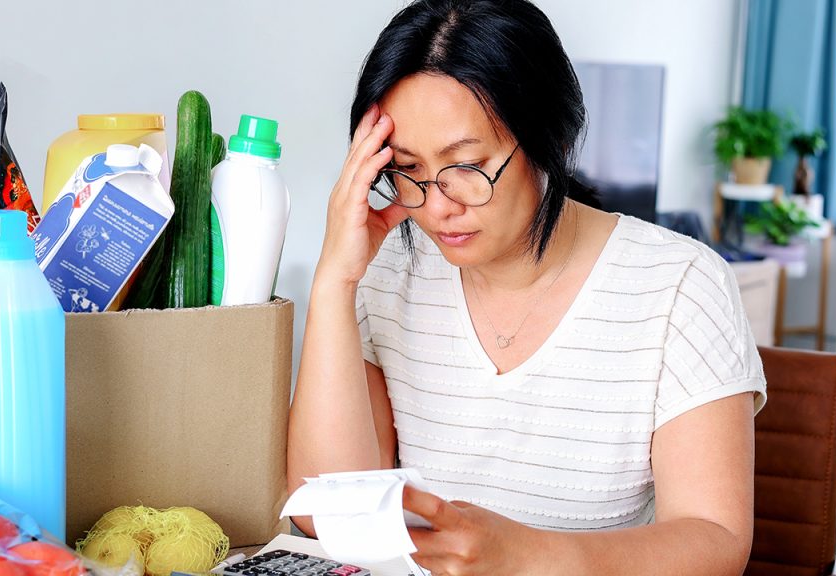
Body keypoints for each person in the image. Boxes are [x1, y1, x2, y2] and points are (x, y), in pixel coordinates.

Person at [288, 0, 767, 573]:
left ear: (552, 141)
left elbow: (717, 541)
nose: (436, 207)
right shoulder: (388, 271)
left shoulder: (679, 284)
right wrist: (335, 281)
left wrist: (527, 556)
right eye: (407, 170)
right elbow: (325, 513)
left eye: (468, 166)